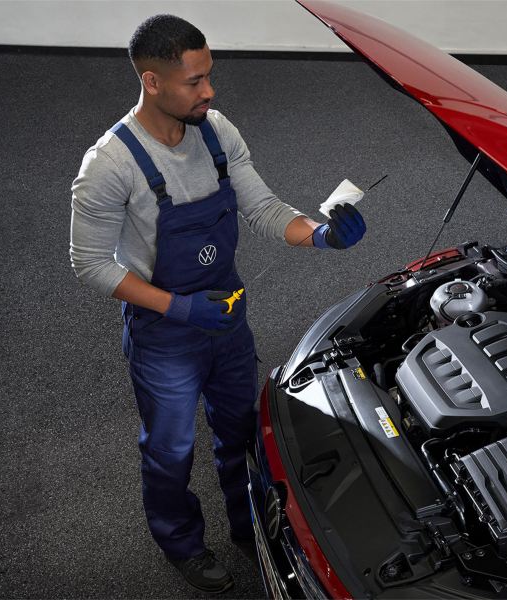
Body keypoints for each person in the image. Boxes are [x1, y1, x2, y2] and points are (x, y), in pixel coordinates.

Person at [69, 14, 366, 593]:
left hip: (228, 319)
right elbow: (92, 265)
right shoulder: (109, 165)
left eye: (209, 76)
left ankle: (246, 523)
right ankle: (181, 544)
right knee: (170, 449)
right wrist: (180, 311)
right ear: (152, 82)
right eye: (194, 81)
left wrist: (322, 234)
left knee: (240, 428)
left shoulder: (216, 130)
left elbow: (261, 207)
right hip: (166, 333)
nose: (209, 91)